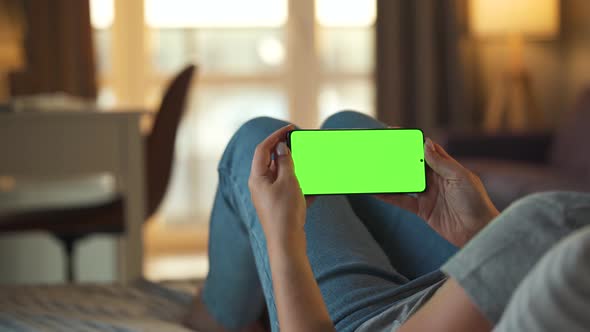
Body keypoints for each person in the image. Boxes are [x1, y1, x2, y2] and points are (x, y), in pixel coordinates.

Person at [184, 111, 590, 332]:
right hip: (467, 293)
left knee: (263, 139)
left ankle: (219, 316)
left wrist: (282, 236)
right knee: (345, 127)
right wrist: (484, 232)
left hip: (380, 321)